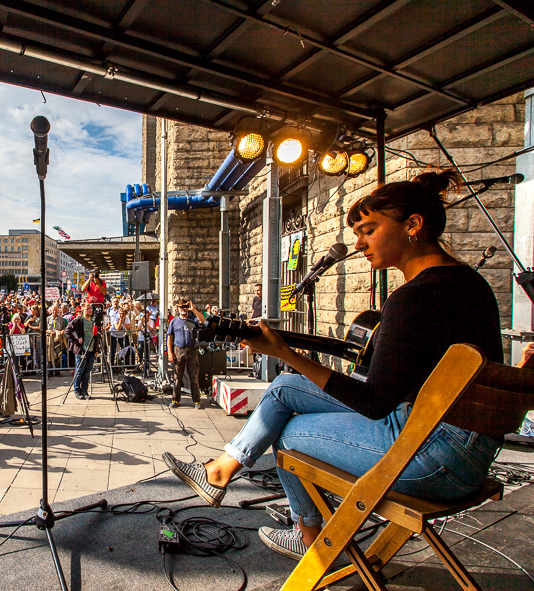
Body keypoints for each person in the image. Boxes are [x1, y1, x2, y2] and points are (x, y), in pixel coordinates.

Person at [162, 169, 505, 560]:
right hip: (456, 443)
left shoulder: (414, 298)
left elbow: (375, 403)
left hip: (434, 458)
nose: (359, 244)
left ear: (413, 225)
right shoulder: (469, 284)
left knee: (288, 433)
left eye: (369, 230)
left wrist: (286, 354)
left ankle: (310, 537)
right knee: (285, 388)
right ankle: (221, 470)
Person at [167, 300, 206, 408]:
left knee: (193, 378)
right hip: (179, 350)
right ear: (178, 308)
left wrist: (194, 310)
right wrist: (170, 352)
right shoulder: (174, 321)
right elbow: (169, 337)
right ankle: (175, 399)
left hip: (191, 350)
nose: (183, 309)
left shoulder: (193, 319)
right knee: (177, 377)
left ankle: (196, 401)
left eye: (185, 306)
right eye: (181, 307)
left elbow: (203, 321)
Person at [66, 302, 99, 400]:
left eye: (90, 308)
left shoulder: (93, 321)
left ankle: (84, 390)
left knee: (87, 371)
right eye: (87, 309)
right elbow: (67, 332)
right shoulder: (78, 321)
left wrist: (96, 349)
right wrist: (76, 340)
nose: (90, 310)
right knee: (80, 370)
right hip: (82, 350)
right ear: (83, 310)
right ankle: (77, 390)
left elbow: (96, 336)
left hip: (91, 350)